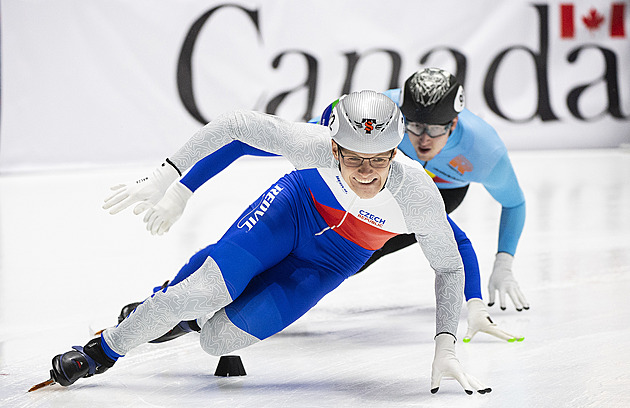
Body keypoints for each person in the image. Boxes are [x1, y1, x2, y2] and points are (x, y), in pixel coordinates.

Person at [47, 91, 491, 394]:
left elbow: (449, 264)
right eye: (354, 159)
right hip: (292, 211)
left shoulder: (416, 194)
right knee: (202, 292)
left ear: (396, 153)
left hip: (335, 260)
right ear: (333, 150)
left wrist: (445, 343)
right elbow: (235, 126)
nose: (366, 173)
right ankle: (100, 352)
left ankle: (188, 320)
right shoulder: (311, 144)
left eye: (378, 160)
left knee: (217, 340)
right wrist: (167, 176)